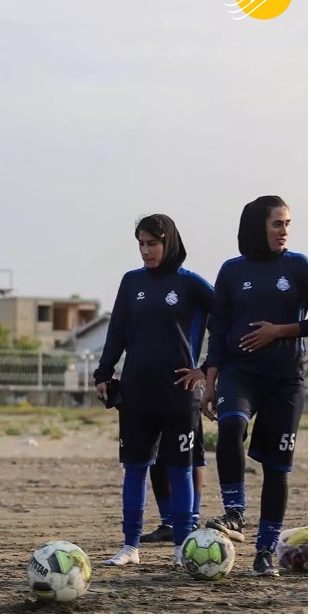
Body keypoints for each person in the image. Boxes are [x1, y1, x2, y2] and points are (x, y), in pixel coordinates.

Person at [93, 214, 214, 568]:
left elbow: (227, 318)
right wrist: (103, 373)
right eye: (141, 244)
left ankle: (182, 547)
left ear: (169, 242)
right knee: (134, 468)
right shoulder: (132, 283)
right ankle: (130, 546)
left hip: (179, 392)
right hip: (136, 392)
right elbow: (116, 331)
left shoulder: (191, 284)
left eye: (153, 243)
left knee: (180, 470)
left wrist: (206, 369)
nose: (146, 251)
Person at [202, 196, 307, 576]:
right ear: (257, 226)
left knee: (277, 469)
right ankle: (235, 513)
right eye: (277, 223)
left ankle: (264, 553)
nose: (284, 231)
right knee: (230, 426)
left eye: (288, 223)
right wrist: (210, 378)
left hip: (286, 380)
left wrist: (280, 331)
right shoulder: (231, 271)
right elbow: (217, 328)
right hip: (239, 372)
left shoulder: (298, 266)